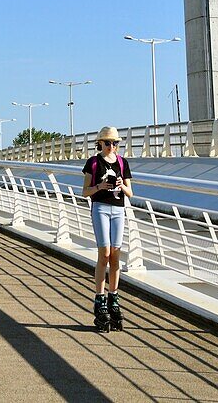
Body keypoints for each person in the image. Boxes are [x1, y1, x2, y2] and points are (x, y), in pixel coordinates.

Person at [82, 126, 133, 331]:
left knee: (115, 255)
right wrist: (99, 187)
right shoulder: (93, 163)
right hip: (100, 209)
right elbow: (85, 191)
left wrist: (121, 186)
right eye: (109, 143)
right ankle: (99, 298)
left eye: (115, 143)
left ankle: (114, 296)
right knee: (103, 253)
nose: (112, 146)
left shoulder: (122, 163)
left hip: (119, 211)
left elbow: (131, 193)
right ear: (100, 143)